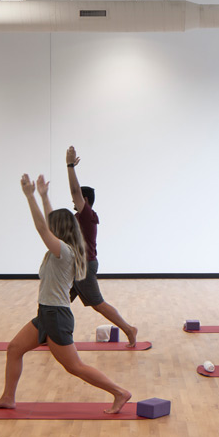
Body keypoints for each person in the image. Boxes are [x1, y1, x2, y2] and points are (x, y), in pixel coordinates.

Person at [0, 174, 132, 413]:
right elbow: (49, 223)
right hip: (46, 312)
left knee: (74, 366)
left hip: (56, 315)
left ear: (60, 230)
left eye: (55, 227)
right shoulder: (64, 248)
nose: (50, 229)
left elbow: (43, 227)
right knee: (14, 349)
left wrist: (30, 196)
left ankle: (119, 392)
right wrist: (44, 196)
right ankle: (8, 397)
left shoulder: (63, 251)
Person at [65, 146, 137, 346]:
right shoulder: (79, 217)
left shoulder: (87, 215)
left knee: (97, 304)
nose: (73, 199)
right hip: (76, 266)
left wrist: (70, 166)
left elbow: (74, 190)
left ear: (84, 200)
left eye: (77, 198)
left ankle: (129, 329)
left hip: (84, 267)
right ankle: (46, 334)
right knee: (55, 299)